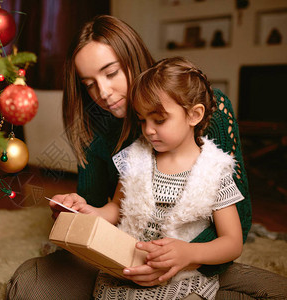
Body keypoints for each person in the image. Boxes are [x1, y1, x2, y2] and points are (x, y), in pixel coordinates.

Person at [6, 15, 287, 300]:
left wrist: (178, 259)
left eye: (111, 73)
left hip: (194, 261)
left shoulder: (203, 109)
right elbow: (108, 211)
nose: (102, 93)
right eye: (89, 83)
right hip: (124, 257)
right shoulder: (107, 136)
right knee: (31, 282)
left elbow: (235, 226)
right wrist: (79, 212)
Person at [59, 56, 244, 300]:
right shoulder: (135, 159)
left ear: (194, 115)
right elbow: (116, 207)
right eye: (142, 120)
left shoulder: (214, 170)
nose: (148, 130)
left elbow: (232, 242)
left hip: (184, 276)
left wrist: (189, 253)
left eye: (159, 120)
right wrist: (92, 213)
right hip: (128, 267)